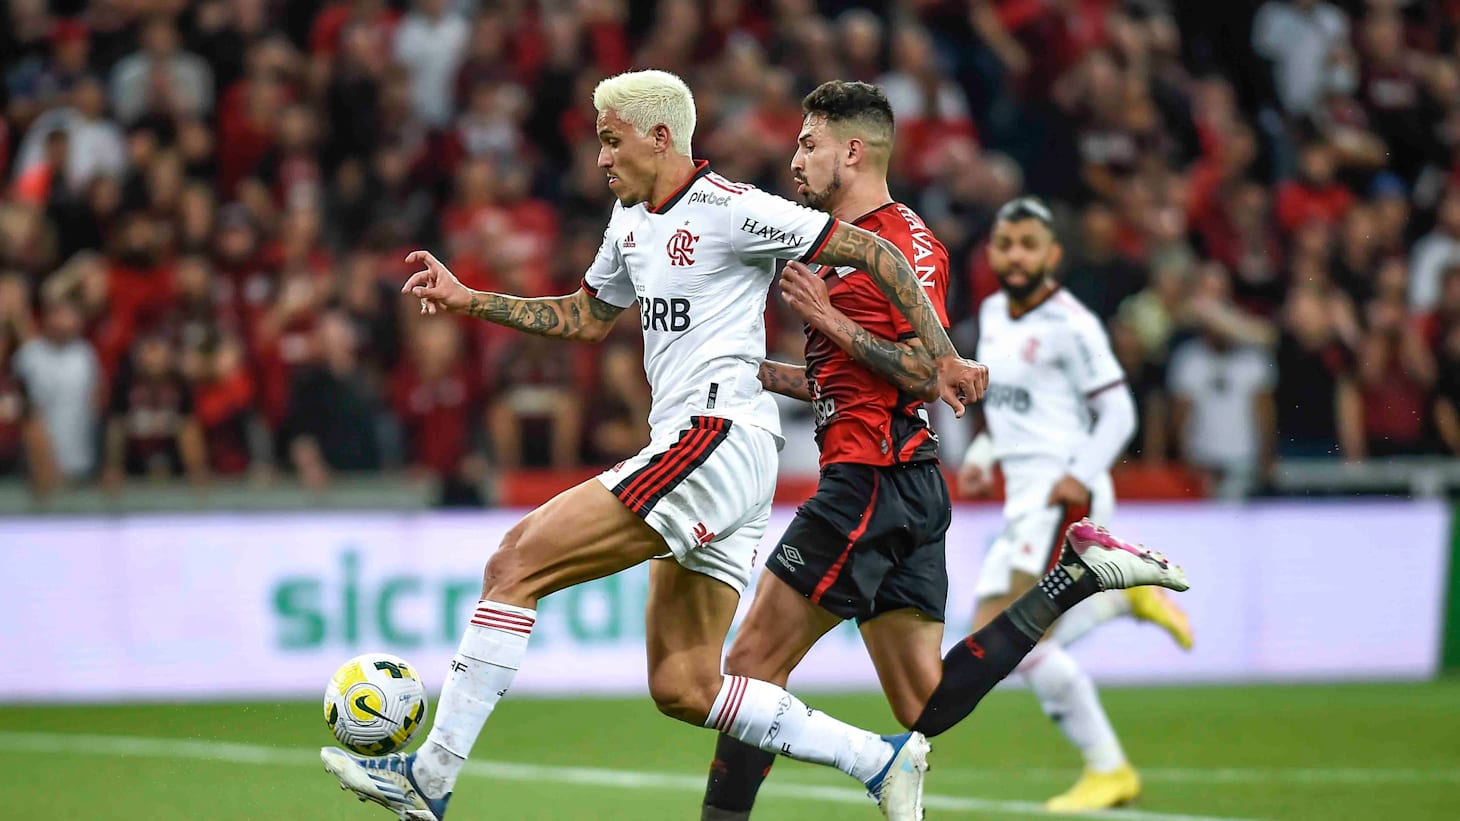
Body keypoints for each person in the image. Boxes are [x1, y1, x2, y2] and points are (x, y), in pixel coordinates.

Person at [320, 69, 990, 821]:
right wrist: (469, 299)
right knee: (684, 685)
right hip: (718, 451)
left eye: (612, 141)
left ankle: (431, 775)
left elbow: (878, 254)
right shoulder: (628, 221)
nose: (601, 158)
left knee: (515, 561)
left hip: (715, 437)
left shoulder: (732, 209)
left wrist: (943, 357)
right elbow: (585, 317)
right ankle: (879, 759)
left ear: (661, 136)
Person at [700, 82, 1191, 821]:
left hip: (873, 478)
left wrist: (827, 319)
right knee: (922, 701)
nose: (794, 159)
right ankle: (1077, 577)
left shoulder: (903, 243)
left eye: (808, 144)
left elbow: (923, 372)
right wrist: (759, 374)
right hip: (897, 481)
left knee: (748, 666)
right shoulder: (841, 245)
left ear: (853, 151)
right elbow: (850, 378)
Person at [958, 197, 1195, 812]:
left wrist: (1077, 475)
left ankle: (1109, 769)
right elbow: (1011, 409)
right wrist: (983, 452)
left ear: (1053, 254)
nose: (1015, 256)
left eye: (1028, 245)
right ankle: (1121, 600)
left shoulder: (1073, 323)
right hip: (1026, 500)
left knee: (1011, 640)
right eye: (1005, 244)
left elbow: (1119, 413)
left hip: (1063, 496)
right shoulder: (992, 314)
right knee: (998, 640)